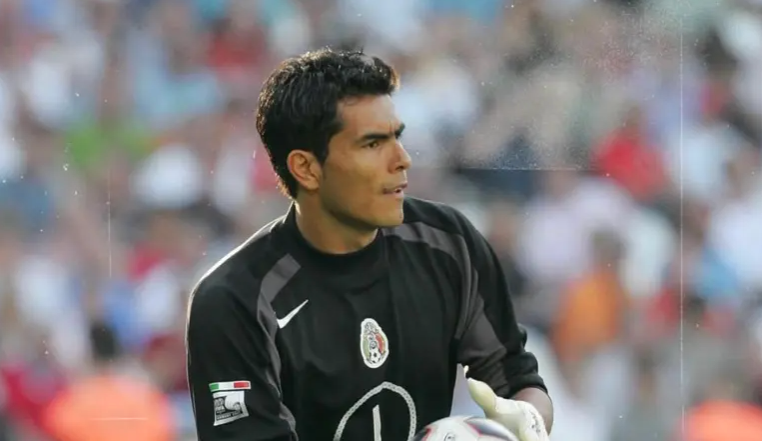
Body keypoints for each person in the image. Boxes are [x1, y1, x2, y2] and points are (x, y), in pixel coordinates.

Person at [185, 48, 553, 441]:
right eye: (373, 144)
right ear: (306, 168)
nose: (402, 159)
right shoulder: (234, 301)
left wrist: (524, 423)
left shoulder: (449, 243)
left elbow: (517, 381)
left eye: (397, 137)